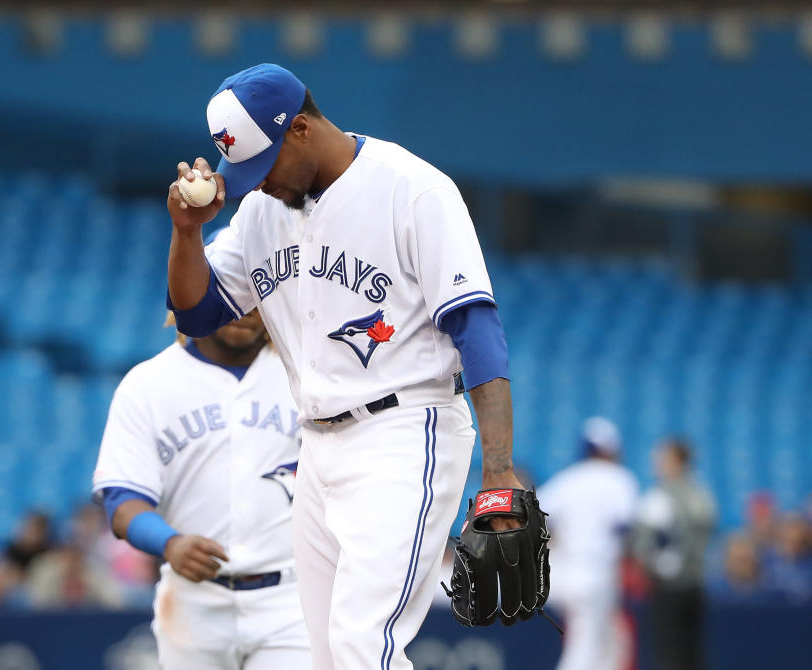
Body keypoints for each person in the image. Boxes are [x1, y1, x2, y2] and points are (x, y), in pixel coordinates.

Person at [165, 63, 527, 670]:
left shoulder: (413, 189)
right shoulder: (261, 211)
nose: (256, 185)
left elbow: (477, 330)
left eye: (264, 165)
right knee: (328, 656)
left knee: (364, 646)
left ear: (301, 129)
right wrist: (186, 233)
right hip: (317, 448)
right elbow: (197, 315)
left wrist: (498, 473)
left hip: (403, 431)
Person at [91, 310, 310, 669]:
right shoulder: (147, 384)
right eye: (225, 294)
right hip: (193, 602)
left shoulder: (307, 372)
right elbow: (122, 500)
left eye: (251, 296)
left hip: (293, 599)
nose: (241, 309)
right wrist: (169, 542)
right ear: (194, 298)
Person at [536, 417, 639, 670]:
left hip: (566, 570)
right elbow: (628, 525)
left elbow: (533, 515)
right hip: (597, 572)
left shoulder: (569, 479)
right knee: (586, 648)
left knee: (602, 645)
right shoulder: (619, 478)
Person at [632, 438, 715, 670]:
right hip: (695, 583)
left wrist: (651, 567)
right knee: (692, 651)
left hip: (667, 586)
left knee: (670, 652)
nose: (657, 464)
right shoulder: (701, 495)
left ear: (677, 461)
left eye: (663, 459)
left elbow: (643, 547)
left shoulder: (658, 497)